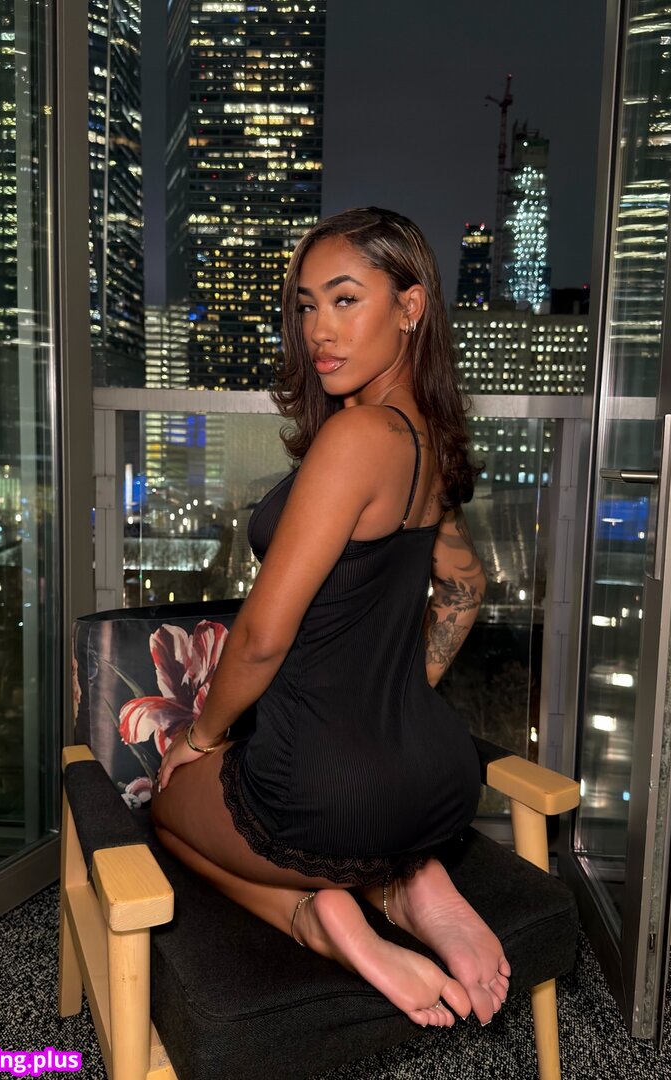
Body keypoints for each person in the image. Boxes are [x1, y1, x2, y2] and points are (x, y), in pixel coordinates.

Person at [152, 206, 510, 1028]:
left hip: (325, 791)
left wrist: (199, 739)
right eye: (307, 305)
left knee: (164, 815)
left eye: (346, 299)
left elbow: (262, 637)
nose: (320, 328)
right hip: (439, 779)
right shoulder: (426, 440)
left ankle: (317, 918)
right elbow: (465, 586)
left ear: (410, 306)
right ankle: (407, 883)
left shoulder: (355, 439)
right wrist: (398, 695)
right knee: (300, 808)